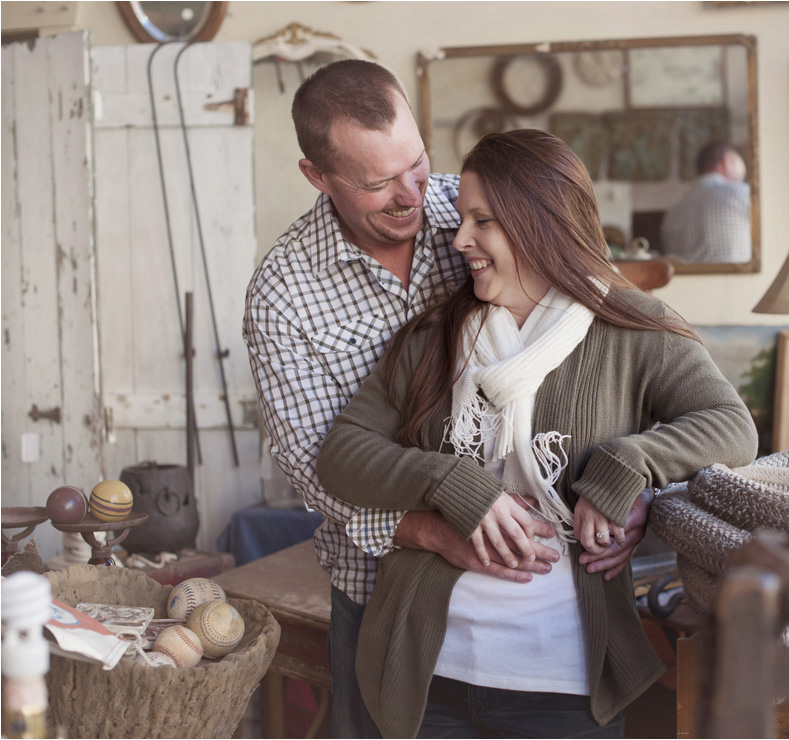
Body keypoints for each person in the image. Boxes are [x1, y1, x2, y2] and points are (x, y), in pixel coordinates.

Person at [242, 61, 649, 737]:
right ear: (319, 177)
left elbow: (603, 336)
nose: (412, 196)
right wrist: (431, 527)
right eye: (378, 184)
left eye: (417, 163)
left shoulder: (473, 209)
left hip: (545, 622)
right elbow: (316, 463)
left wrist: (633, 490)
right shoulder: (284, 293)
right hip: (384, 601)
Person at [316, 129, 759, 738]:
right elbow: (342, 454)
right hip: (429, 677)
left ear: (539, 224)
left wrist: (627, 464)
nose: (460, 238)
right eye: (463, 219)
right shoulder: (436, 337)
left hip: (563, 685)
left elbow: (731, 426)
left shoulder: (632, 328)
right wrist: (452, 481)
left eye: (483, 221)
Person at [660, 142, 752, 263]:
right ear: (726, 161)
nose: (743, 175)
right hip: (739, 280)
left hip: (686, 281)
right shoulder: (742, 193)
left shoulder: (673, 211)